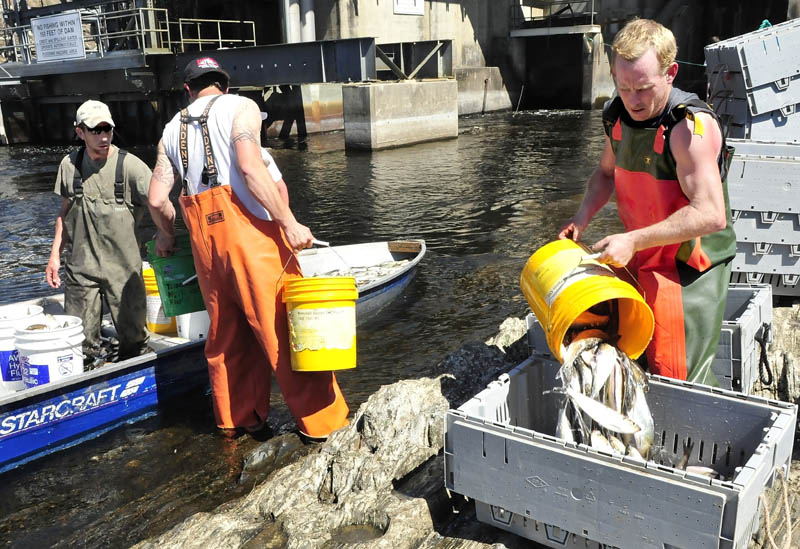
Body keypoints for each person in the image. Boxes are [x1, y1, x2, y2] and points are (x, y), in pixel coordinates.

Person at [147, 56, 349, 439]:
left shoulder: (171, 130)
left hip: (206, 251)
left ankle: (238, 424)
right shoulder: (242, 107)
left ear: (187, 90)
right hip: (252, 243)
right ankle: (324, 426)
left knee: (225, 340)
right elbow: (250, 168)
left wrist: (166, 235)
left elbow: (158, 198)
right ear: (223, 84)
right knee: (285, 332)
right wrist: (288, 223)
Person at [558, 19, 736, 386]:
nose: (633, 100)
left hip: (690, 265)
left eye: (643, 88)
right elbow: (606, 175)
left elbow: (712, 215)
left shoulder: (689, 129)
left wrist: (633, 240)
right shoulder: (617, 116)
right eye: (623, 87)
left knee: (678, 375)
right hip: (643, 252)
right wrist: (581, 219)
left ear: (670, 73)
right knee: (620, 347)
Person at [46, 100, 152, 364]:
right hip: (81, 269)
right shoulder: (69, 165)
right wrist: (54, 256)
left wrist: (166, 236)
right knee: (81, 344)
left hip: (123, 271)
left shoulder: (132, 167)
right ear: (80, 132)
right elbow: (64, 212)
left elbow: (161, 205)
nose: (104, 137)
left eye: (108, 130)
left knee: (134, 340)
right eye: (96, 131)